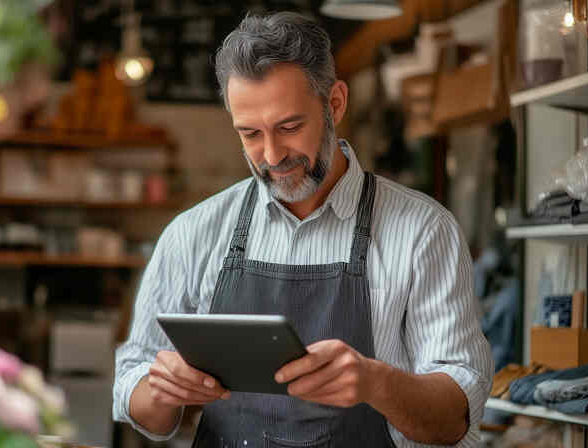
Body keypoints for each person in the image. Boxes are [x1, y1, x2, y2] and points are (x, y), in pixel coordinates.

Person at [113, 11, 493, 447]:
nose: (272, 155)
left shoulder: (425, 232)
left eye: (289, 127)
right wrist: (165, 392)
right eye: (250, 134)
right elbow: (136, 394)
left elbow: (454, 419)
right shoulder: (192, 234)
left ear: (335, 103)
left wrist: (376, 383)